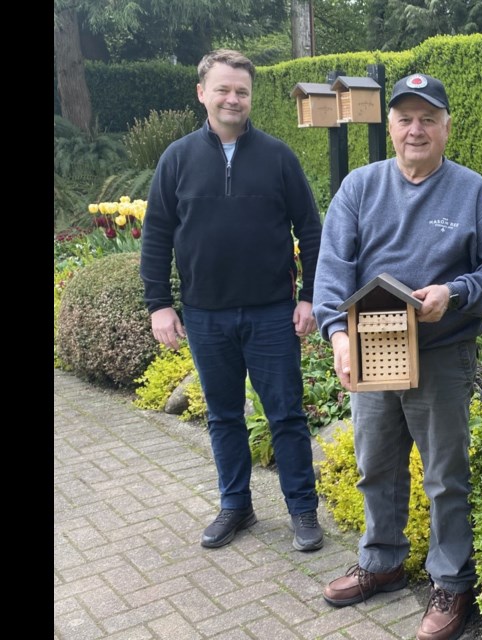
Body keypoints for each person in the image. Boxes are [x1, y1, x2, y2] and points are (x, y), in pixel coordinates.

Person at [313, 72, 482, 640]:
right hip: (372, 349)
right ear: (390, 126)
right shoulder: (359, 187)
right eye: (405, 118)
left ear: (446, 128)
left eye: (428, 119)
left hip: (440, 354)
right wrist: (338, 336)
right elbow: (332, 272)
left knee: (444, 476)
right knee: (374, 465)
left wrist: (453, 294)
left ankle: (451, 583)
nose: (416, 129)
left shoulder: (470, 191)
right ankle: (380, 562)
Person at [139, 49, 325, 553]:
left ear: (250, 97)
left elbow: (311, 230)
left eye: (241, 91)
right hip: (205, 314)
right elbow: (156, 235)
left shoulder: (278, 157)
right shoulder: (176, 159)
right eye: (222, 89)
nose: (232, 98)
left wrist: (309, 297)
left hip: (270, 313)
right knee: (223, 417)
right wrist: (159, 303)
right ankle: (236, 505)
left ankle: (302, 511)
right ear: (202, 93)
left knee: (285, 415)